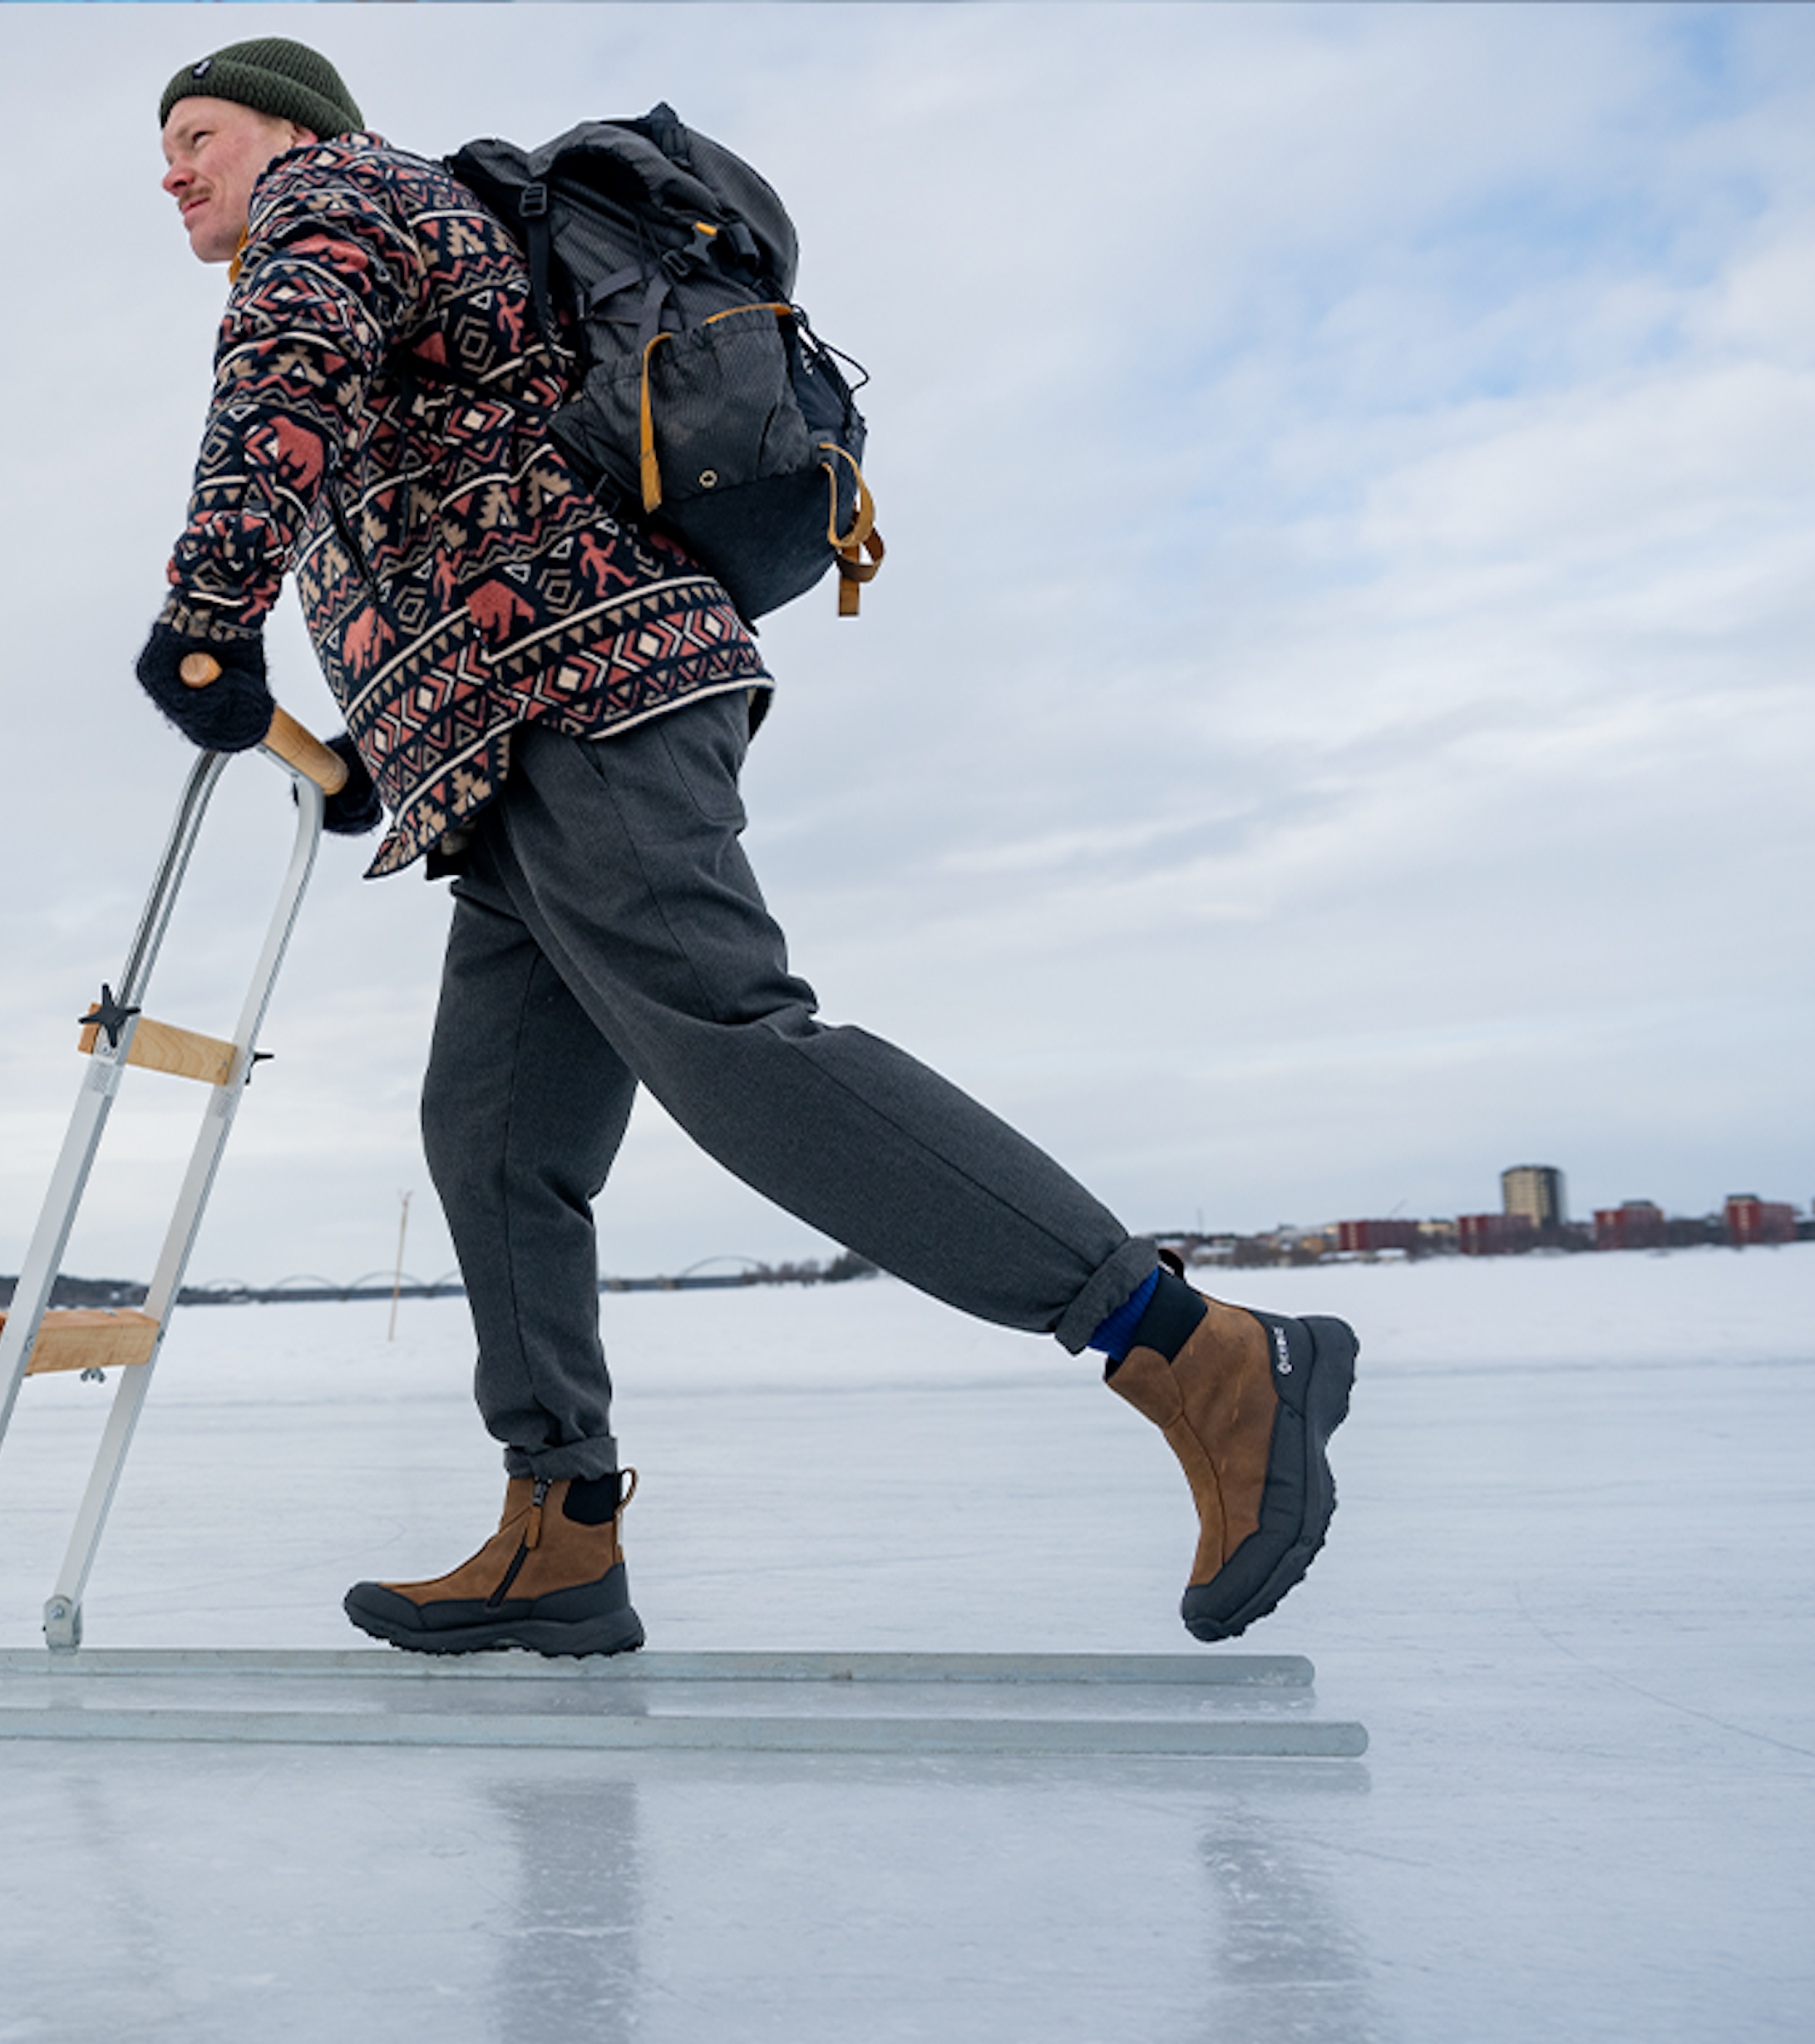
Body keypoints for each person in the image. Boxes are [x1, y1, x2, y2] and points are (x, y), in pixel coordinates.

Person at [138, 39, 1355, 1656]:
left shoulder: (337, 192)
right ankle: (561, 1527)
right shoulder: (395, 224)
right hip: (505, 743)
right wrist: (377, 742)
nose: (173, 168)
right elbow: (446, 491)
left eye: (196, 131)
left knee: (729, 1039)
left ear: (291, 125)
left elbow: (285, 377)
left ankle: (1193, 1349)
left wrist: (209, 619)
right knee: (496, 1143)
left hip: (587, 685)